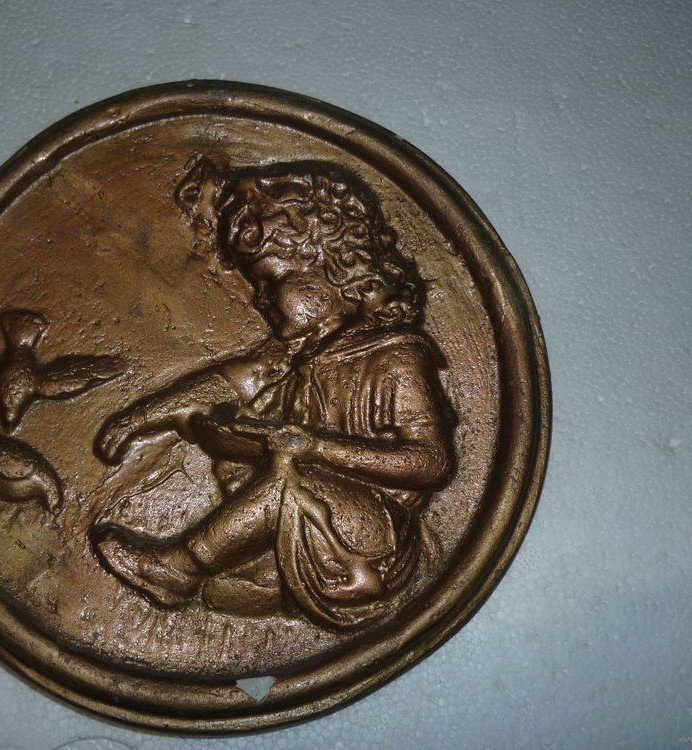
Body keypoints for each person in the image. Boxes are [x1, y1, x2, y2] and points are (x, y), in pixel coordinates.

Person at [91, 158, 455, 630]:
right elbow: (230, 381)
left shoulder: (395, 355)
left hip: (371, 534)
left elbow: (432, 462)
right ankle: (257, 570)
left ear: (334, 270)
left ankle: (178, 569)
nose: (260, 299)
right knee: (262, 483)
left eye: (271, 281)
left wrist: (316, 447)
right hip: (316, 524)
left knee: (290, 477)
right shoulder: (300, 353)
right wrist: (142, 417)